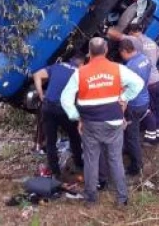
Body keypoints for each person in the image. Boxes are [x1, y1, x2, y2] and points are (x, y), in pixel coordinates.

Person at [60, 37, 145, 207]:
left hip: (90, 124)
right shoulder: (118, 69)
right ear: (106, 50)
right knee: (115, 160)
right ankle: (122, 199)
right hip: (113, 123)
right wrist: (124, 98)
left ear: (89, 53)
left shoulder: (80, 73)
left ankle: (91, 199)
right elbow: (139, 83)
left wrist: (77, 116)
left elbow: (65, 99)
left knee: (91, 161)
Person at [108, 24, 159, 144]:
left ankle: (152, 138)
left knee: (150, 110)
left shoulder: (135, 41)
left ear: (132, 32)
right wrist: (151, 62)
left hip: (150, 82)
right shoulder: (150, 41)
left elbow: (119, 36)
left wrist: (106, 30)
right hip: (158, 80)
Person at [32, 54, 85, 177]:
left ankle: (55, 172)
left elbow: (37, 75)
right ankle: (79, 163)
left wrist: (41, 94)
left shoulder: (57, 66)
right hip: (64, 109)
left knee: (51, 141)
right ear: (81, 64)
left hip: (48, 107)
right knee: (74, 136)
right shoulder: (78, 73)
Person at [118, 38, 152, 176]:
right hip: (144, 100)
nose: (121, 56)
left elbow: (125, 93)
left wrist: (121, 113)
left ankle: (136, 166)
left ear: (125, 51)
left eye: (121, 53)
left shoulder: (130, 67)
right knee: (131, 132)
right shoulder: (145, 58)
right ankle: (128, 149)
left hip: (134, 104)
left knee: (132, 135)